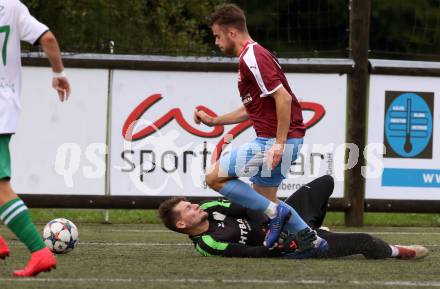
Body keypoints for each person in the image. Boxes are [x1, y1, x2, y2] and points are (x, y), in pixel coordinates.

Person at [194, 3, 313, 249]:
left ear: (232, 33)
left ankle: (278, 217)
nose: (216, 42)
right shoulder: (253, 56)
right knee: (264, 201)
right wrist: (215, 121)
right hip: (287, 139)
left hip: (273, 141)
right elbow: (254, 109)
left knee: (214, 178)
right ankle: (313, 240)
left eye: (217, 36)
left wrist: (277, 144)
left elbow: (284, 98)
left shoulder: (252, 57)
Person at [158, 175, 429, 259]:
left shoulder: (214, 206)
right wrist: (276, 245)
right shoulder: (208, 243)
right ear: (182, 224)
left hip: (284, 221)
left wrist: (274, 219)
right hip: (295, 246)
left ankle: (313, 226)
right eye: (188, 209)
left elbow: (251, 205)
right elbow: (252, 254)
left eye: (191, 203)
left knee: (325, 182)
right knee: (366, 241)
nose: (194, 206)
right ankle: (396, 252)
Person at [0, 0, 71, 277]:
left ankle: (39, 252)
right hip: (6, 103)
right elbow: (48, 38)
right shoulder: (11, 6)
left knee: (1, 187)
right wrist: (58, 73)